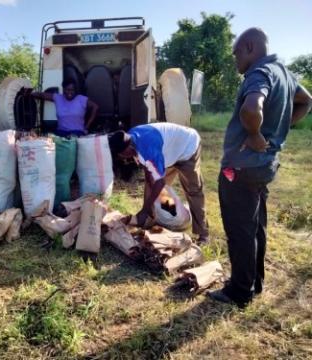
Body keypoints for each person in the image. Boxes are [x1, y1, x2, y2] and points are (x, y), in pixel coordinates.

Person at [207, 28, 312, 308]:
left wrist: (256, 134)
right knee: (255, 226)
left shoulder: (260, 72)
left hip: (240, 169)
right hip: (264, 166)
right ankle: (255, 283)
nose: (234, 60)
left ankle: (239, 292)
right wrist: (277, 129)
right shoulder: (285, 73)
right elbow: (306, 101)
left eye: (236, 53)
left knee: (240, 230)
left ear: (250, 47)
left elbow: (252, 107)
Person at [108, 122, 209, 244]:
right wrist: (146, 208)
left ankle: (203, 234)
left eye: (121, 154)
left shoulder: (148, 150)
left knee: (193, 191)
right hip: (169, 152)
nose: (122, 158)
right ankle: (149, 217)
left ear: (128, 149)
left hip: (188, 147)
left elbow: (159, 183)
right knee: (152, 183)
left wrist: (144, 210)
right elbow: (148, 171)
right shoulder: (130, 137)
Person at [32, 79, 99, 137]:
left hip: (77, 133)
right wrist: (29, 93)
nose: (70, 92)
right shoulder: (58, 98)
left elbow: (95, 107)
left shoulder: (81, 99)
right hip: (61, 133)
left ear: (75, 90)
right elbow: (42, 95)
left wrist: (87, 127)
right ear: (63, 89)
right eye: (67, 90)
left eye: (72, 90)